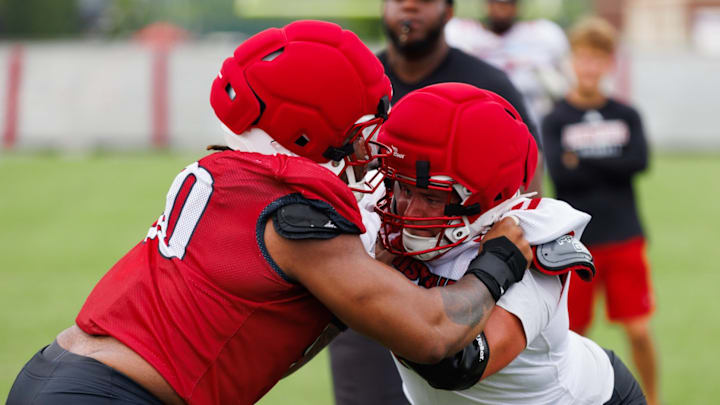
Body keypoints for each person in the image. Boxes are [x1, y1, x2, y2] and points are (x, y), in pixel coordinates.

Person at [6, 20, 533, 405]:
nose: (369, 145)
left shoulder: (231, 171)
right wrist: (502, 258)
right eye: (363, 126)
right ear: (310, 124)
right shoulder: (293, 206)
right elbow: (433, 332)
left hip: (61, 372)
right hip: (111, 394)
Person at [376, 82, 646, 404]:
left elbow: (455, 365)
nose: (409, 211)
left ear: (489, 197)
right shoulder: (384, 205)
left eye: (432, 197)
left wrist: (495, 268)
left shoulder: (532, 241)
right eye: (403, 188)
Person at [329, 2, 543, 401]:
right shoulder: (358, 86)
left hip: (457, 273)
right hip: (367, 267)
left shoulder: (488, 82)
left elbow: (524, 177)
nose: (409, 6)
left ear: (449, 11)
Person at [542, 17, 659, 405]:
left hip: (625, 236)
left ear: (610, 63)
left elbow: (639, 161)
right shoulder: (556, 118)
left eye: (598, 58)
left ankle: (653, 398)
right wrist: (611, 161)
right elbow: (561, 174)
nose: (589, 67)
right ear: (572, 62)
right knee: (573, 337)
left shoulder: (626, 114)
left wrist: (584, 161)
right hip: (576, 245)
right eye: (583, 57)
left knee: (639, 330)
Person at [445, 0, 570, 125]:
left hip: (530, 124)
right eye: (497, 2)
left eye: (508, 3)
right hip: (476, 120)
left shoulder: (543, 34)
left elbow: (567, 83)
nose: (502, 8)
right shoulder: (460, 33)